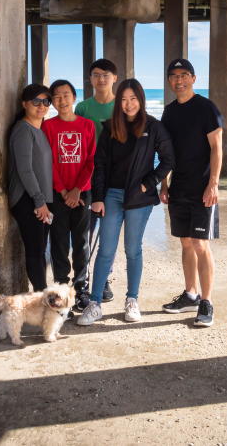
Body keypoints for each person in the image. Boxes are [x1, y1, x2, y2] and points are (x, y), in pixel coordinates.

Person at [77, 78, 175, 326]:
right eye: (123, 99)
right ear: (118, 101)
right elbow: (99, 164)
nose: (129, 104)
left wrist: (147, 183)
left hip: (139, 198)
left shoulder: (154, 126)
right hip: (111, 195)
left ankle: (132, 300)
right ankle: (95, 304)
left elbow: (168, 160)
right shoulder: (110, 127)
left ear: (141, 100)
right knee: (105, 251)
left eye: (133, 98)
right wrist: (97, 197)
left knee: (133, 250)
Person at [160, 59, 224, 327]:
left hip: (202, 189)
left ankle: (206, 302)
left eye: (184, 75)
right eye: (173, 76)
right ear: (169, 81)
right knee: (185, 242)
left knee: (200, 244)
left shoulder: (206, 107)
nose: (179, 80)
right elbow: (165, 151)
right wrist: (164, 184)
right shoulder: (169, 112)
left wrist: (214, 183)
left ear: (194, 79)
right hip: (179, 188)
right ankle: (190, 294)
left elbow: (216, 147)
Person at [42, 80, 96, 311]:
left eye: (66, 95)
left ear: (75, 98)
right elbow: (49, 162)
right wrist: (64, 191)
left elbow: (91, 160)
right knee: (59, 242)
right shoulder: (48, 126)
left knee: (82, 241)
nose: (62, 100)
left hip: (82, 193)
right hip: (57, 195)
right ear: (52, 101)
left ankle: (81, 288)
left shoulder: (88, 125)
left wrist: (77, 189)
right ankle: (61, 289)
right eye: (56, 96)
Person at [75, 58, 117, 302]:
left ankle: (104, 278)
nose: (101, 79)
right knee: (84, 234)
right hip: (86, 180)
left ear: (114, 78)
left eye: (106, 74)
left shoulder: (121, 107)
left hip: (113, 180)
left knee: (108, 233)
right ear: (90, 79)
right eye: (96, 75)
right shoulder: (83, 108)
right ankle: (84, 279)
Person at [8, 84, 53, 291]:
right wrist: (39, 200)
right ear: (25, 103)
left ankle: (42, 298)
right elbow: (25, 170)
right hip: (27, 199)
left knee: (40, 250)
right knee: (35, 251)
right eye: (36, 101)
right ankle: (44, 301)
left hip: (38, 199)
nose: (41, 106)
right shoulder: (23, 130)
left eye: (46, 101)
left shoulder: (38, 129)